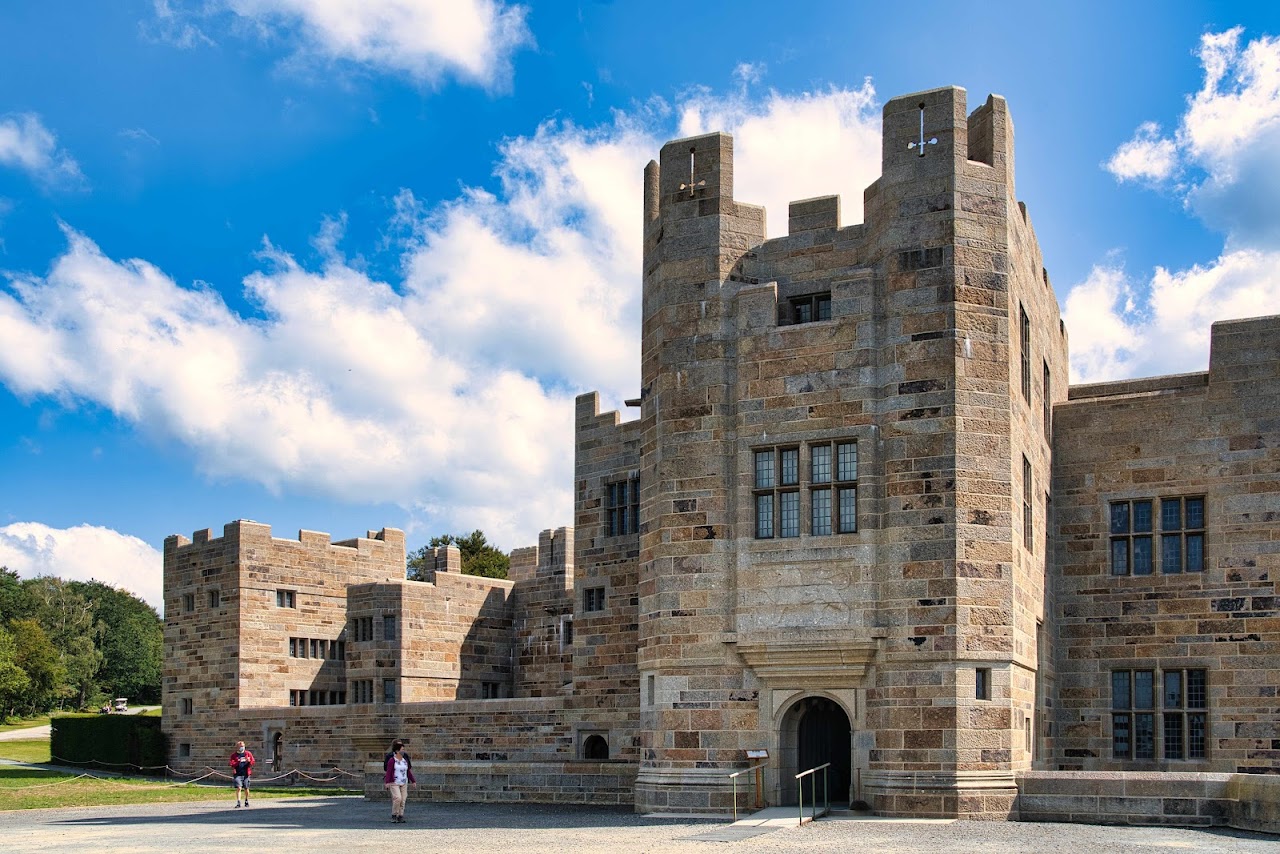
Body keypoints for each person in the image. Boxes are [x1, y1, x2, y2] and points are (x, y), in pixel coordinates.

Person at [382, 739, 415, 823]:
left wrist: (413, 780)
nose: (403, 750)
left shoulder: (405, 759)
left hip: (404, 781)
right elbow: (388, 770)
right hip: (394, 781)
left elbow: (408, 770)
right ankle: (394, 814)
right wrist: (387, 782)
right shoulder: (391, 758)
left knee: (403, 799)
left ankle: (400, 815)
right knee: (398, 798)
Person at [229, 741, 255, 808]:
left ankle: (246, 800)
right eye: (240, 746)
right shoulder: (234, 755)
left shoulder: (248, 753)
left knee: (246, 788)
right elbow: (231, 764)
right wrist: (238, 761)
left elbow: (253, 762)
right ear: (237, 747)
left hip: (246, 773)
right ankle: (238, 802)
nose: (242, 748)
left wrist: (249, 761)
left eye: (243, 746)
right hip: (237, 774)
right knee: (239, 788)